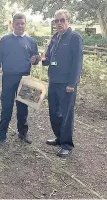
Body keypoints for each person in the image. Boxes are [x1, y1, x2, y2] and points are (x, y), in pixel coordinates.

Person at [0, 13, 40, 144]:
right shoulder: (5, 40)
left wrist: (35, 60)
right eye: (18, 23)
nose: (20, 26)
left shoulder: (31, 41)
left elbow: (35, 59)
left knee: (23, 107)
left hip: (25, 78)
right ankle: (1, 134)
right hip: (8, 77)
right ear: (13, 24)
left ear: (25, 24)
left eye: (23, 23)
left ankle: (23, 133)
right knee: (6, 106)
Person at [42, 9, 83, 157]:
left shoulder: (74, 37)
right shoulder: (54, 38)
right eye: (57, 20)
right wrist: (40, 59)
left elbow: (77, 62)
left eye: (62, 20)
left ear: (68, 21)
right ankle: (59, 138)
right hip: (53, 82)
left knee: (66, 115)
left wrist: (72, 83)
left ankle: (67, 144)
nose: (59, 23)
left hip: (67, 84)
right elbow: (47, 59)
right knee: (54, 113)